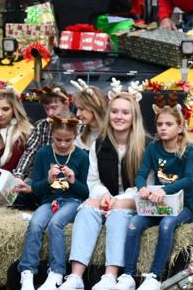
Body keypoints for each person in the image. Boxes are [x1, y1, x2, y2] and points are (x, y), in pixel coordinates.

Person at [57, 90, 147, 290]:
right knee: (87, 209)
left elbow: (146, 184)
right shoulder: (100, 144)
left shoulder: (145, 145)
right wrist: (103, 195)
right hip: (108, 197)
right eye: (114, 111)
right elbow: (93, 180)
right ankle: (76, 277)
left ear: (134, 117)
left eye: (125, 112)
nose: (118, 117)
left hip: (135, 200)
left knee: (118, 213)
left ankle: (110, 276)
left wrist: (121, 200)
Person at [115, 106, 193, 290]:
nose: (163, 128)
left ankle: (155, 276)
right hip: (158, 204)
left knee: (166, 225)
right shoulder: (153, 147)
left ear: (180, 127)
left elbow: (188, 179)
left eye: (169, 124)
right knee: (134, 223)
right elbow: (141, 173)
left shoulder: (189, 150)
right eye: (160, 124)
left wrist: (164, 190)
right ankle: (128, 275)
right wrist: (142, 187)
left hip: (182, 206)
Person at [17, 117, 90, 290]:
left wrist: (73, 180)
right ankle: (27, 272)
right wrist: (48, 180)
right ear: (51, 136)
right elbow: (36, 189)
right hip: (50, 201)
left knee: (55, 224)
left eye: (68, 140)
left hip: (72, 201)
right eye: (58, 140)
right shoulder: (44, 153)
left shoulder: (81, 156)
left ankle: (56, 272)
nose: (63, 144)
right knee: (35, 223)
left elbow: (85, 192)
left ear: (75, 136)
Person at [13, 85, 71, 183]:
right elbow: (30, 152)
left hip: (65, 179)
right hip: (38, 177)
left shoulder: (78, 127)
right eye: (46, 109)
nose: (50, 113)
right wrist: (19, 175)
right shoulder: (42, 125)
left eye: (54, 108)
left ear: (66, 104)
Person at [70, 80, 107, 150]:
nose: (77, 114)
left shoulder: (113, 134)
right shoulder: (79, 133)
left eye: (82, 109)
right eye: (77, 109)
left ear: (95, 107)